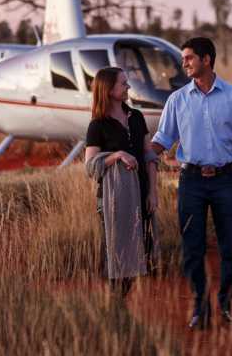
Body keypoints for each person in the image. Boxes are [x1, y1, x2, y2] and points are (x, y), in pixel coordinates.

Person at [150, 37, 232, 329]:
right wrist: (137, 155)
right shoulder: (177, 100)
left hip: (225, 179)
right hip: (191, 182)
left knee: (229, 247)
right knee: (192, 247)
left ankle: (228, 307)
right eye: (184, 58)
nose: (184, 62)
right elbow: (162, 139)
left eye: (189, 58)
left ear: (207, 59)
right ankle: (201, 309)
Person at [84, 67, 160, 296]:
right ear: (108, 90)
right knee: (116, 253)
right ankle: (116, 305)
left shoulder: (136, 117)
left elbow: (149, 156)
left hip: (142, 193)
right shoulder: (98, 125)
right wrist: (116, 155)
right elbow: (90, 166)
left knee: (142, 251)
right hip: (113, 199)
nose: (127, 87)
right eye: (123, 83)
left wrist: (153, 193)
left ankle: (126, 303)